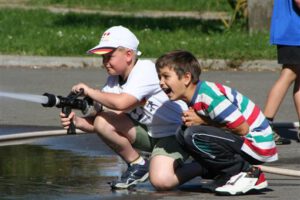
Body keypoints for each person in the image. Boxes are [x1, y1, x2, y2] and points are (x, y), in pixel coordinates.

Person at [60, 26, 202, 190]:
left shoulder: (145, 70)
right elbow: (103, 119)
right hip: (151, 134)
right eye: (103, 57)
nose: (105, 62)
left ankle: (205, 166)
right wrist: (77, 121)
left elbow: (122, 103)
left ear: (129, 55)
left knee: (161, 181)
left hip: (175, 135)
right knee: (102, 121)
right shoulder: (114, 80)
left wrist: (90, 91)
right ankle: (138, 165)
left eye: (109, 56)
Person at [155, 50, 278, 195]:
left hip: (256, 144)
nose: (161, 83)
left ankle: (248, 173)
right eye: (159, 77)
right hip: (244, 142)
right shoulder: (194, 98)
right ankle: (225, 175)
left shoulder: (208, 96)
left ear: (186, 78)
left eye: (166, 77)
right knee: (182, 133)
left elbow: (242, 128)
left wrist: (202, 121)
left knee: (193, 134)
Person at [264, 0, 300, 144]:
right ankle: (264, 127)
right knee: (289, 74)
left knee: (297, 77)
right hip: (294, 33)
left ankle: (265, 126)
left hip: (290, 32)